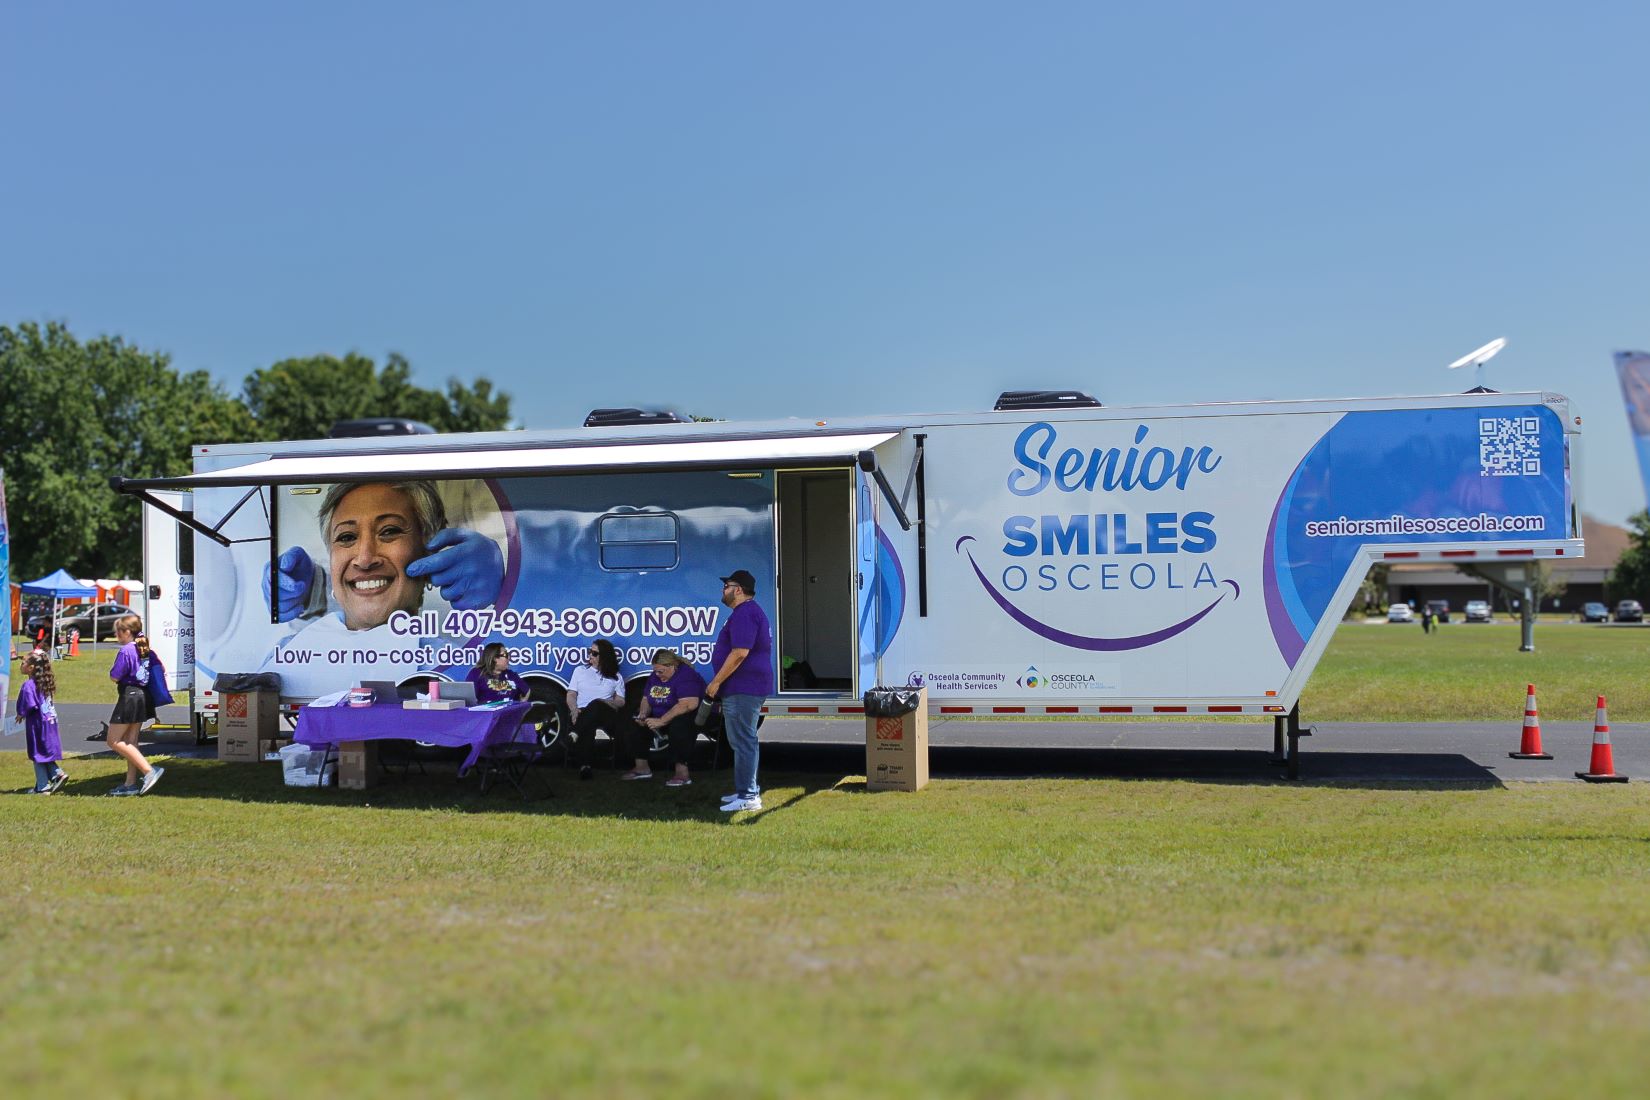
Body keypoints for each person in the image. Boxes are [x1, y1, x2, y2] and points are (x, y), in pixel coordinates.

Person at [263, 479, 506, 698]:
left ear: (429, 550)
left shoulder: (455, 665)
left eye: (389, 531)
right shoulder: (289, 653)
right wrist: (313, 589)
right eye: (347, 537)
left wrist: (512, 590)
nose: (365, 558)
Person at [705, 569, 772, 813]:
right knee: (741, 741)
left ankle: (748, 796)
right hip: (742, 687)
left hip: (744, 687)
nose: (723, 590)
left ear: (739, 590)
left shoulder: (745, 613)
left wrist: (715, 682)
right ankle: (745, 789)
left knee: (743, 741)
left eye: (727, 586)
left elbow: (740, 653)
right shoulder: (744, 613)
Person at [623, 648, 706, 787]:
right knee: (636, 724)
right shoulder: (655, 676)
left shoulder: (686, 675)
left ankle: (682, 773)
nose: (657, 674)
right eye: (655, 671)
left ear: (672, 666)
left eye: (660, 671)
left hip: (687, 715)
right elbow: (646, 699)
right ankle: (642, 768)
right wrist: (643, 714)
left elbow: (688, 704)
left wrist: (662, 721)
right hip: (661, 714)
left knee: (679, 726)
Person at [107, 614, 164, 796]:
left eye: (118, 632)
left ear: (126, 632)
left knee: (114, 740)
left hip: (129, 696)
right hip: (143, 696)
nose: (117, 635)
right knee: (132, 742)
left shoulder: (126, 651)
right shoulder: (146, 650)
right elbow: (160, 669)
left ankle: (149, 771)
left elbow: (115, 676)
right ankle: (130, 784)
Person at [565, 638, 630, 780]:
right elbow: (571, 694)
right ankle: (585, 767)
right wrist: (574, 709)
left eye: (594, 653)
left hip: (605, 712)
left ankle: (574, 734)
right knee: (588, 721)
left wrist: (604, 701)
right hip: (582, 712)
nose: (590, 656)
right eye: (590, 652)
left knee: (595, 705)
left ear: (604, 656)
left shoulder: (615, 676)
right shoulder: (580, 671)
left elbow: (621, 701)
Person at [17, 651, 68, 794]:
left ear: (31, 667)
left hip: (38, 724)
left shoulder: (28, 685)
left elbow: (29, 704)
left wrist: (21, 713)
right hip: (50, 722)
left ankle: (44, 786)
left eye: (23, 662)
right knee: (43, 753)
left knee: (37, 753)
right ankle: (53, 776)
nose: (21, 665)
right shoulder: (45, 682)